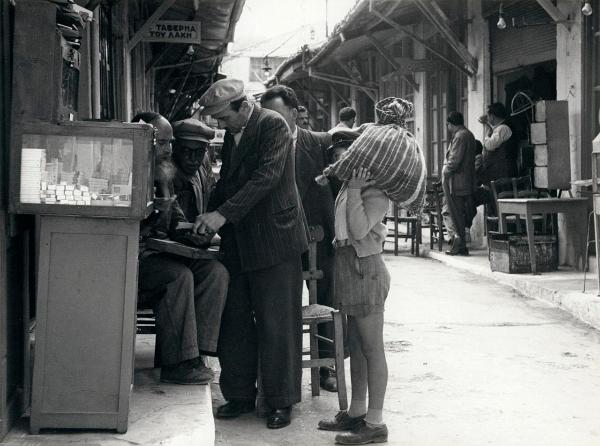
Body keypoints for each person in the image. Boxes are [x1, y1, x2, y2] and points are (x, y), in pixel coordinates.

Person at [196, 79, 308, 429]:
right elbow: (229, 180)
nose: (222, 127)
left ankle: (281, 401)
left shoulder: (272, 124)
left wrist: (221, 215)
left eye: (224, 119)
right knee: (236, 321)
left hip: (276, 240)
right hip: (241, 241)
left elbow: (266, 178)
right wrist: (205, 217)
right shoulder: (235, 132)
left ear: (242, 106)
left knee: (278, 325)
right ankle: (240, 394)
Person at [134, 111, 229, 385]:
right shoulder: (136, 168)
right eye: (163, 143)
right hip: (136, 257)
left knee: (215, 272)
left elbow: (175, 220)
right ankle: (177, 362)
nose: (169, 150)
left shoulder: (165, 169)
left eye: (169, 143)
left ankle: (197, 353)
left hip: (160, 252)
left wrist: (196, 234)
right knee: (179, 276)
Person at [260, 85, 338, 392]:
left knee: (328, 298)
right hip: (277, 240)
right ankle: (283, 373)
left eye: (278, 116)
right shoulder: (259, 146)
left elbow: (340, 189)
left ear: (294, 113)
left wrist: (333, 230)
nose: (272, 123)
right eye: (266, 117)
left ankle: (327, 366)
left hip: (317, 237)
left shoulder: (320, 144)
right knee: (279, 307)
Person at [318, 167, 390, 445]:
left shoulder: (376, 192)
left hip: (366, 270)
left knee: (372, 348)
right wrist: (352, 187)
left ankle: (375, 422)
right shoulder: (352, 186)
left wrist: (356, 189)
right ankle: (357, 410)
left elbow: (359, 230)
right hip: (350, 267)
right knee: (357, 346)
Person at [442, 112, 476, 256]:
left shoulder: (460, 136)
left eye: (448, 125)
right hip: (467, 180)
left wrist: (445, 172)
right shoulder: (469, 134)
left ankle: (459, 243)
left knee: (454, 213)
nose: (448, 128)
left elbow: (454, 161)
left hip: (457, 182)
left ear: (451, 124)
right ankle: (462, 246)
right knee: (460, 214)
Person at [171, 118, 216, 223]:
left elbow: (213, 193)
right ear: (174, 148)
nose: (193, 159)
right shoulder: (165, 172)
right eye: (186, 151)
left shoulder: (204, 163)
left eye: (200, 152)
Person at [477, 102, 517, 187]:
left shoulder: (503, 128)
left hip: (502, 172)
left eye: (488, 116)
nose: (487, 118)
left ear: (492, 116)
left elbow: (490, 145)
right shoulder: (499, 129)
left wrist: (487, 129)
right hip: (497, 172)